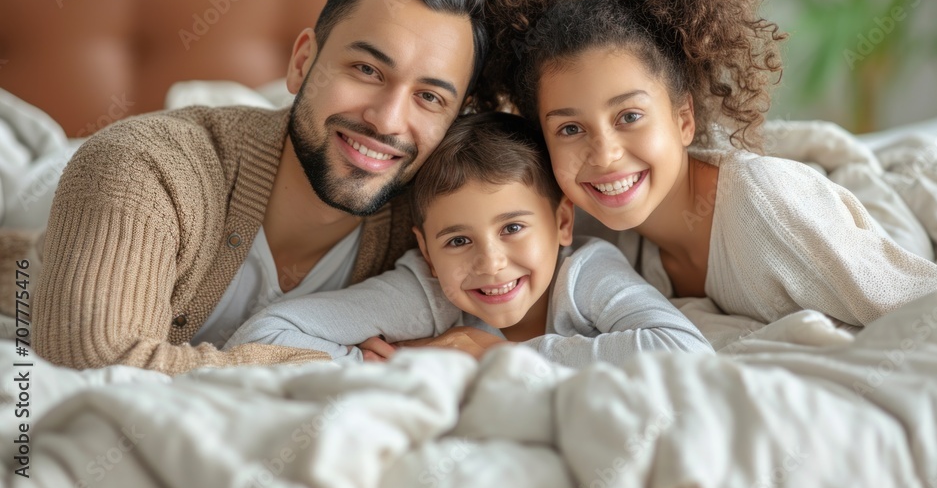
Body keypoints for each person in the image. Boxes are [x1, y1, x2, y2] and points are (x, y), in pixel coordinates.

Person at [477, 0, 937, 327]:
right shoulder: (586, 230)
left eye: (629, 116)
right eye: (570, 129)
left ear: (683, 119)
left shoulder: (763, 209)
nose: (606, 153)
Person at [33, 0, 489, 374]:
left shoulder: (438, 222)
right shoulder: (144, 170)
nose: (387, 121)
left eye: (429, 98)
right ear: (302, 63)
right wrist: (337, 366)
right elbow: (96, 367)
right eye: (367, 69)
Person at [225, 112, 712, 367]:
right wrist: (393, 363)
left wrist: (501, 358)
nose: (492, 263)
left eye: (513, 228)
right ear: (428, 252)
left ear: (563, 223)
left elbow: (685, 351)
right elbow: (261, 335)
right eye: (458, 241)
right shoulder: (426, 291)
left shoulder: (584, 272)